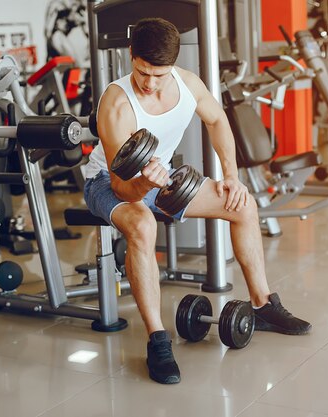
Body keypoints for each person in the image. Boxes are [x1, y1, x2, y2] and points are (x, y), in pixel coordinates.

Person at [82, 17, 311, 385]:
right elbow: (123, 186)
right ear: (131, 56)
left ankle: (263, 304)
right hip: (109, 182)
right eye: (143, 72)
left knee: (244, 205)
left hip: (158, 176)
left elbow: (218, 120)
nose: (150, 83)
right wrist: (144, 185)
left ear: (173, 66)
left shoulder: (188, 84)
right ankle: (157, 339)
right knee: (142, 225)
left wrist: (231, 177)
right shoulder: (116, 104)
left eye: (160, 74)